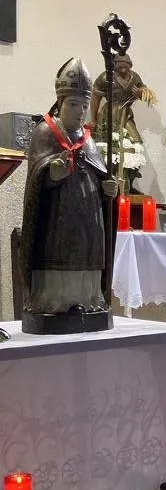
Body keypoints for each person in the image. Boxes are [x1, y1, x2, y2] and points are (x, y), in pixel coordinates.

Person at [20, 58, 118, 323]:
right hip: (57, 221)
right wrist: (51, 173)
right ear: (60, 103)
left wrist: (109, 190)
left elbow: (100, 175)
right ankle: (55, 302)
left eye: (84, 106)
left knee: (85, 261)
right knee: (58, 262)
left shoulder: (88, 140)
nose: (80, 112)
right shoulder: (45, 131)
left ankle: (87, 300)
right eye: (73, 105)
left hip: (88, 223)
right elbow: (37, 174)